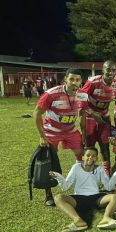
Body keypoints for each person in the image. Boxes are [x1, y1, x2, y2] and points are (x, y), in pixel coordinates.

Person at [34, 68, 84, 206]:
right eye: (72, 79)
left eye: (78, 80)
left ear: (81, 81)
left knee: (82, 156)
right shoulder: (51, 94)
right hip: (52, 131)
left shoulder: (83, 95)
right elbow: (37, 114)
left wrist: (84, 133)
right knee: (47, 162)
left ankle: (81, 185)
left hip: (71, 131)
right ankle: (48, 193)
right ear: (66, 79)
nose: (75, 82)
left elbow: (84, 114)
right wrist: (42, 136)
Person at [50, 147, 116, 232]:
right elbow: (65, 187)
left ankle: (106, 218)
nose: (91, 157)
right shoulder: (76, 167)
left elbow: (108, 187)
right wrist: (58, 176)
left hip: (96, 198)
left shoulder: (100, 169)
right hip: (79, 199)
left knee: (114, 197)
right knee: (58, 198)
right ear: (83, 157)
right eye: (88, 155)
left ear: (97, 158)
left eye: (94, 156)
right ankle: (78, 221)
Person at [77, 60, 116, 177]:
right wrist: (92, 112)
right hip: (90, 118)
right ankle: (88, 175)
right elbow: (80, 97)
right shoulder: (93, 81)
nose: (111, 73)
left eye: (114, 70)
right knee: (89, 149)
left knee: (105, 148)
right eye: (108, 70)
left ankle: (106, 175)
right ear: (103, 70)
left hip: (104, 119)